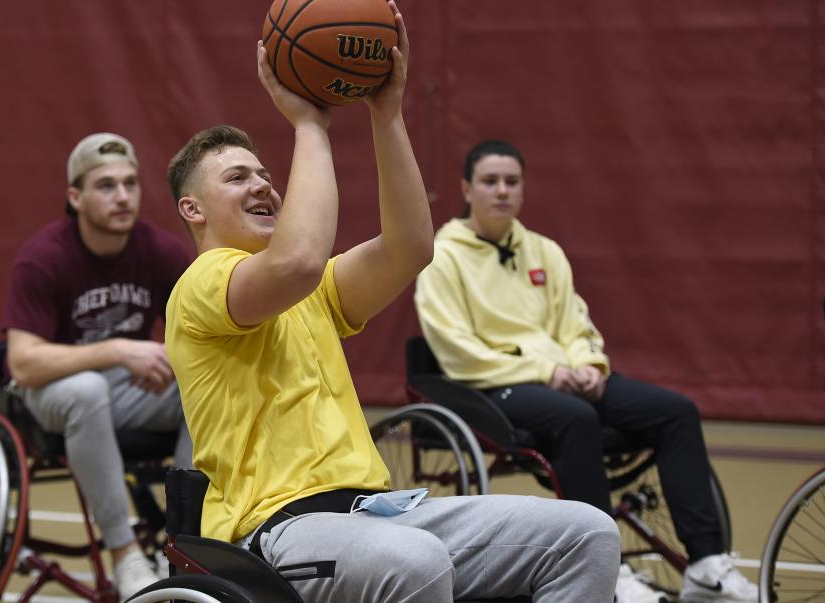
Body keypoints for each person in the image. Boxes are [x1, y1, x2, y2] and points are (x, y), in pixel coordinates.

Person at [163, 4, 620, 601]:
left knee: (586, 532)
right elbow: (298, 260)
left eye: (265, 174)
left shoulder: (314, 292)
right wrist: (309, 125)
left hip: (378, 513)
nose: (263, 185)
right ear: (192, 210)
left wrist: (387, 113)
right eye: (237, 178)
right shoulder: (202, 285)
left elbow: (410, 248)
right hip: (278, 529)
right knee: (416, 560)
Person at [414, 138, 758, 603]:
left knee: (675, 411)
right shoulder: (443, 256)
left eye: (511, 182)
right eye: (489, 181)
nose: (501, 191)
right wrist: (546, 371)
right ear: (466, 189)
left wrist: (588, 366)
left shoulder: (543, 251)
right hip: (491, 385)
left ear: (523, 189)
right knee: (575, 418)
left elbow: (574, 323)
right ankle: (608, 569)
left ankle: (706, 564)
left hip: (563, 377)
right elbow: (457, 349)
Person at [1, 132, 193, 600]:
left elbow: (198, 336)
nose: (123, 197)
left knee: (205, 383)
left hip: (128, 392)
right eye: (106, 186)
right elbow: (23, 363)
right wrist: (118, 351)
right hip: (53, 390)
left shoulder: (161, 251)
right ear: (75, 197)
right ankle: (125, 555)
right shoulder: (44, 258)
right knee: (87, 389)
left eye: (130, 184)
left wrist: (174, 361)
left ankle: (186, 542)